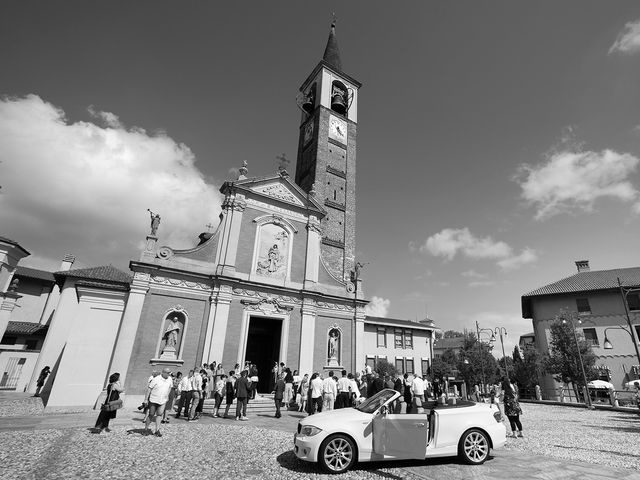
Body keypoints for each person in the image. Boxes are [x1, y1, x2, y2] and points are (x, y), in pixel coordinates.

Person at [144, 367, 173, 437]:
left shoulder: (169, 379)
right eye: (168, 373)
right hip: (154, 399)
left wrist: (167, 395)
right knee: (151, 414)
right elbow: (149, 389)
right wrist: (145, 399)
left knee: (159, 414)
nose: (169, 374)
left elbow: (170, 387)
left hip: (163, 400)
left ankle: (157, 430)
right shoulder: (156, 379)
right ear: (163, 373)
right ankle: (146, 429)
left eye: (170, 373)